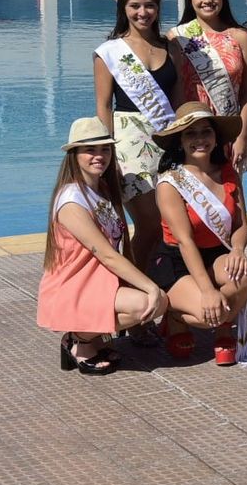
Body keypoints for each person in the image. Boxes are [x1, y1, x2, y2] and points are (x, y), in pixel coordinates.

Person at [38, 118, 169, 374]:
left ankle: (94, 337)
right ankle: (77, 340)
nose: (99, 156)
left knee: (156, 301)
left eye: (105, 149)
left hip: (97, 281)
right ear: (74, 155)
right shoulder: (72, 200)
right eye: (90, 150)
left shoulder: (101, 189)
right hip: (75, 285)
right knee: (151, 301)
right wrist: (150, 286)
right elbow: (107, 255)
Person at [148, 103, 247, 365]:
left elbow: (240, 224)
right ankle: (176, 316)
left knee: (245, 277)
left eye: (206, 131)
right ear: (180, 141)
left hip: (215, 253)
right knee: (208, 315)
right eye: (191, 133)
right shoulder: (170, 182)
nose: (200, 139)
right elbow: (184, 241)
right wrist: (208, 290)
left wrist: (237, 250)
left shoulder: (228, 173)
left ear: (216, 137)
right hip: (177, 260)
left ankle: (223, 327)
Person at [93, 0, 185, 268]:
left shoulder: (170, 47)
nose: (142, 12)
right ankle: (131, 281)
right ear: (124, 8)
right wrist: (107, 153)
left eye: (149, 5)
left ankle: (154, 279)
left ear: (157, 8)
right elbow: (103, 106)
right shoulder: (109, 52)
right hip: (128, 145)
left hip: (166, 141)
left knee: (169, 223)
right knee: (149, 223)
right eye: (135, 6)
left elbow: (178, 100)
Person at [168, 0, 247, 173]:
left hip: (228, 133)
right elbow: (174, 91)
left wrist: (242, 136)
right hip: (192, 135)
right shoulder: (176, 38)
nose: (207, 0)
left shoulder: (241, 37)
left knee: (230, 190)